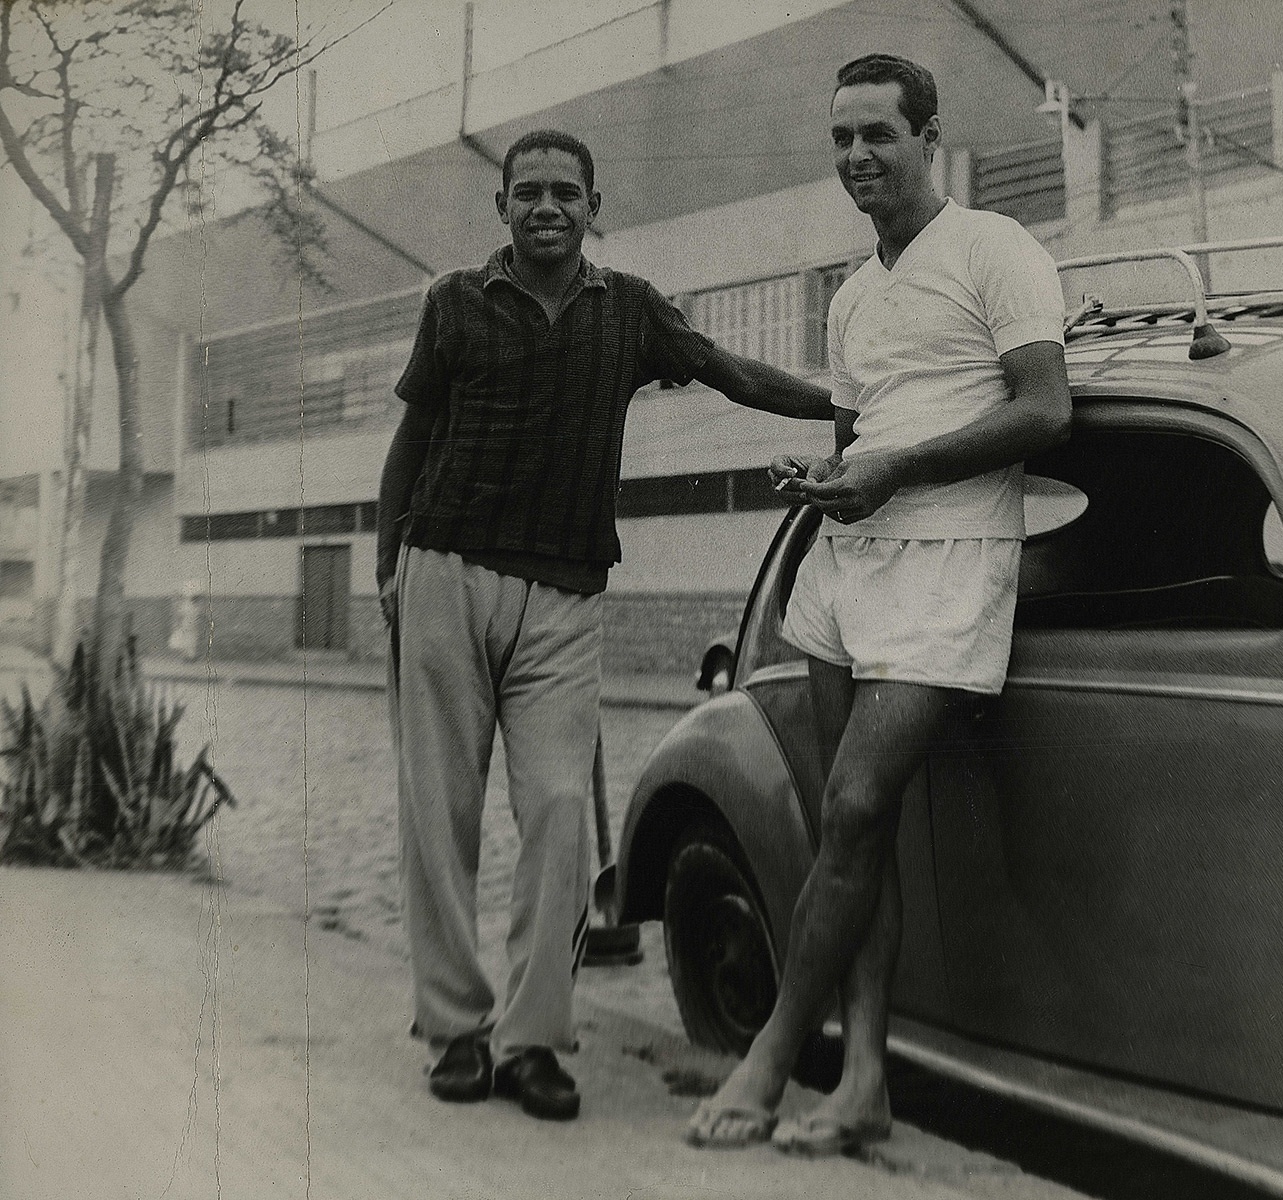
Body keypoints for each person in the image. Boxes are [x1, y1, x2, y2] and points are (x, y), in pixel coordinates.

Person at [377, 129, 831, 1121]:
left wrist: (841, 406)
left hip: (566, 594)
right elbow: (411, 439)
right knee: (438, 812)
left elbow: (727, 372)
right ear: (501, 207)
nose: (547, 206)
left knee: (557, 815)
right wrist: (385, 570)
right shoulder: (453, 302)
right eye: (528, 191)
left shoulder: (628, 311)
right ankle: (454, 1030)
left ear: (594, 205)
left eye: (566, 193)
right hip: (443, 573)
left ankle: (532, 1039)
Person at [687, 53, 1073, 1155]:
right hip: (846, 571)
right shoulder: (853, 294)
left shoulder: (995, 250)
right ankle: (862, 1080)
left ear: (927, 138)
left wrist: (894, 471)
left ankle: (771, 1057)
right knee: (854, 836)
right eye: (841, 139)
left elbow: (1045, 411)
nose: (857, 156)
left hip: (950, 564)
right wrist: (829, 481)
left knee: (854, 813)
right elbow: (860, 441)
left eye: (878, 135)